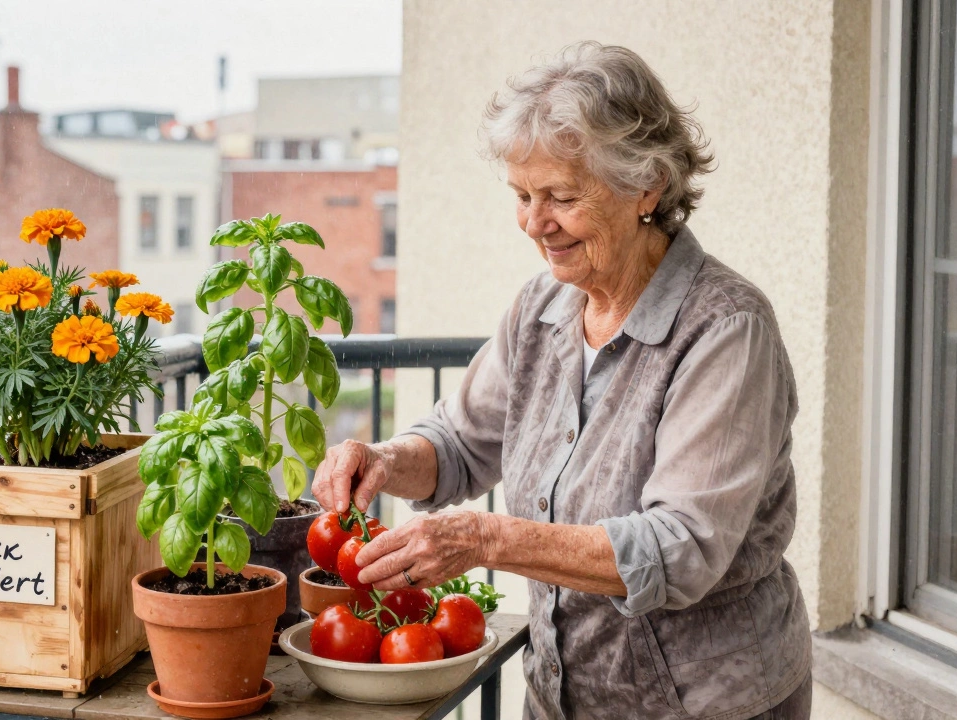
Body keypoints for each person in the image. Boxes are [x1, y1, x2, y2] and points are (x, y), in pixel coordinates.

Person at [311, 42, 812, 720]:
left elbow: (682, 548)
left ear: (647, 187)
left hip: (704, 706)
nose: (534, 224)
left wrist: (486, 540)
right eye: (522, 196)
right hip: (561, 695)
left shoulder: (725, 329)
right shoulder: (542, 309)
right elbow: (460, 444)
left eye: (562, 197)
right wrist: (385, 460)